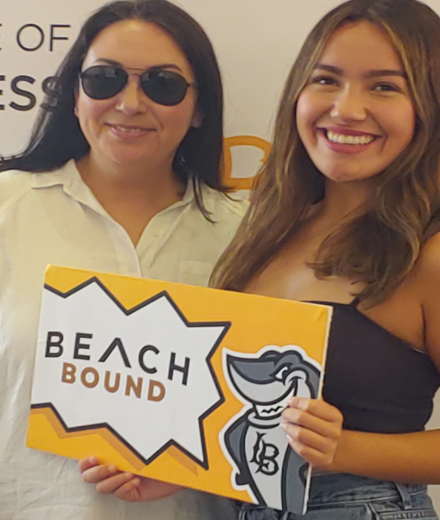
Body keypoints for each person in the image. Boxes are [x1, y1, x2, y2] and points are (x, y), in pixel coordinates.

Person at [0, 0, 247, 518]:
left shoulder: (245, 233)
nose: (130, 103)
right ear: (73, 93)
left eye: (163, 84)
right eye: (105, 79)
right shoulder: (7, 208)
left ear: (200, 107)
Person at [211, 0, 440, 518]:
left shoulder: (429, 254)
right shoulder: (267, 226)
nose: (346, 108)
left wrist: (346, 448)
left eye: (384, 86)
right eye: (326, 79)